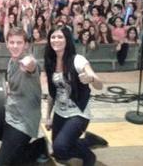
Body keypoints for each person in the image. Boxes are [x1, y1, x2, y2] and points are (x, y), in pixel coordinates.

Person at [0, 27, 47, 165]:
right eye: (12, 42)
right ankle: (13, 144)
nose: (15, 46)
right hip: (10, 112)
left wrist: (28, 63)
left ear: (26, 44)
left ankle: (39, 146)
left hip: (24, 121)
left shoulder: (29, 61)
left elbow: (32, 64)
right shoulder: (11, 61)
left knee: (5, 164)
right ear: (7, 44)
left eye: (19, 42)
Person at [44, 26, 104, 166]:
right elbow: (53, 93)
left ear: (67, 40)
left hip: (78, 112)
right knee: (58, 153)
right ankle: (89, 140)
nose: (56, 40)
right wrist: (48, 116)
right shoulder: (50, 62)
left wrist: (91, 79)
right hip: (60, 112)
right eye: (53, 37)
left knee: (61, 147)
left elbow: (99, 85)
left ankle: (89, 156)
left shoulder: (78, 60)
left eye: (60, 37)